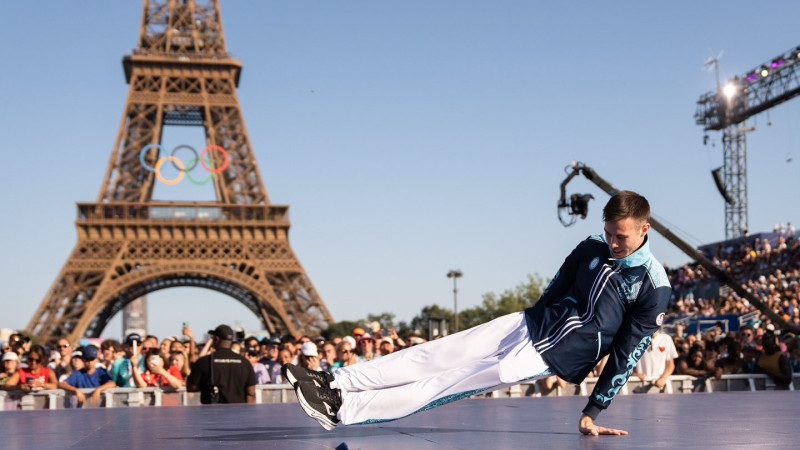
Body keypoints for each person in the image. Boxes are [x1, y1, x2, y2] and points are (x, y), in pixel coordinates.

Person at [283, 191, 671, 435]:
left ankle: (342, 409)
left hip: (554, 353)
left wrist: (593, 409)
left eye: (621, 236)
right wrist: (530, 317)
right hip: (528, 325)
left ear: (644, 229)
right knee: (433, 353)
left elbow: (627, 352)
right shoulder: (591, 246)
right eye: (608, 233)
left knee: (451, 380)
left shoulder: (654, 286)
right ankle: (334, 381)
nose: (613, 242)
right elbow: (557, 285)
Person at [186, 324, 256, 404]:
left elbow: (191, 387)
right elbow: (250, 392)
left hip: (212, 413)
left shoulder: (204, 361)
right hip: (238, 412)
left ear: (216, 338)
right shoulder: (245, 363)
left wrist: (205, 385)